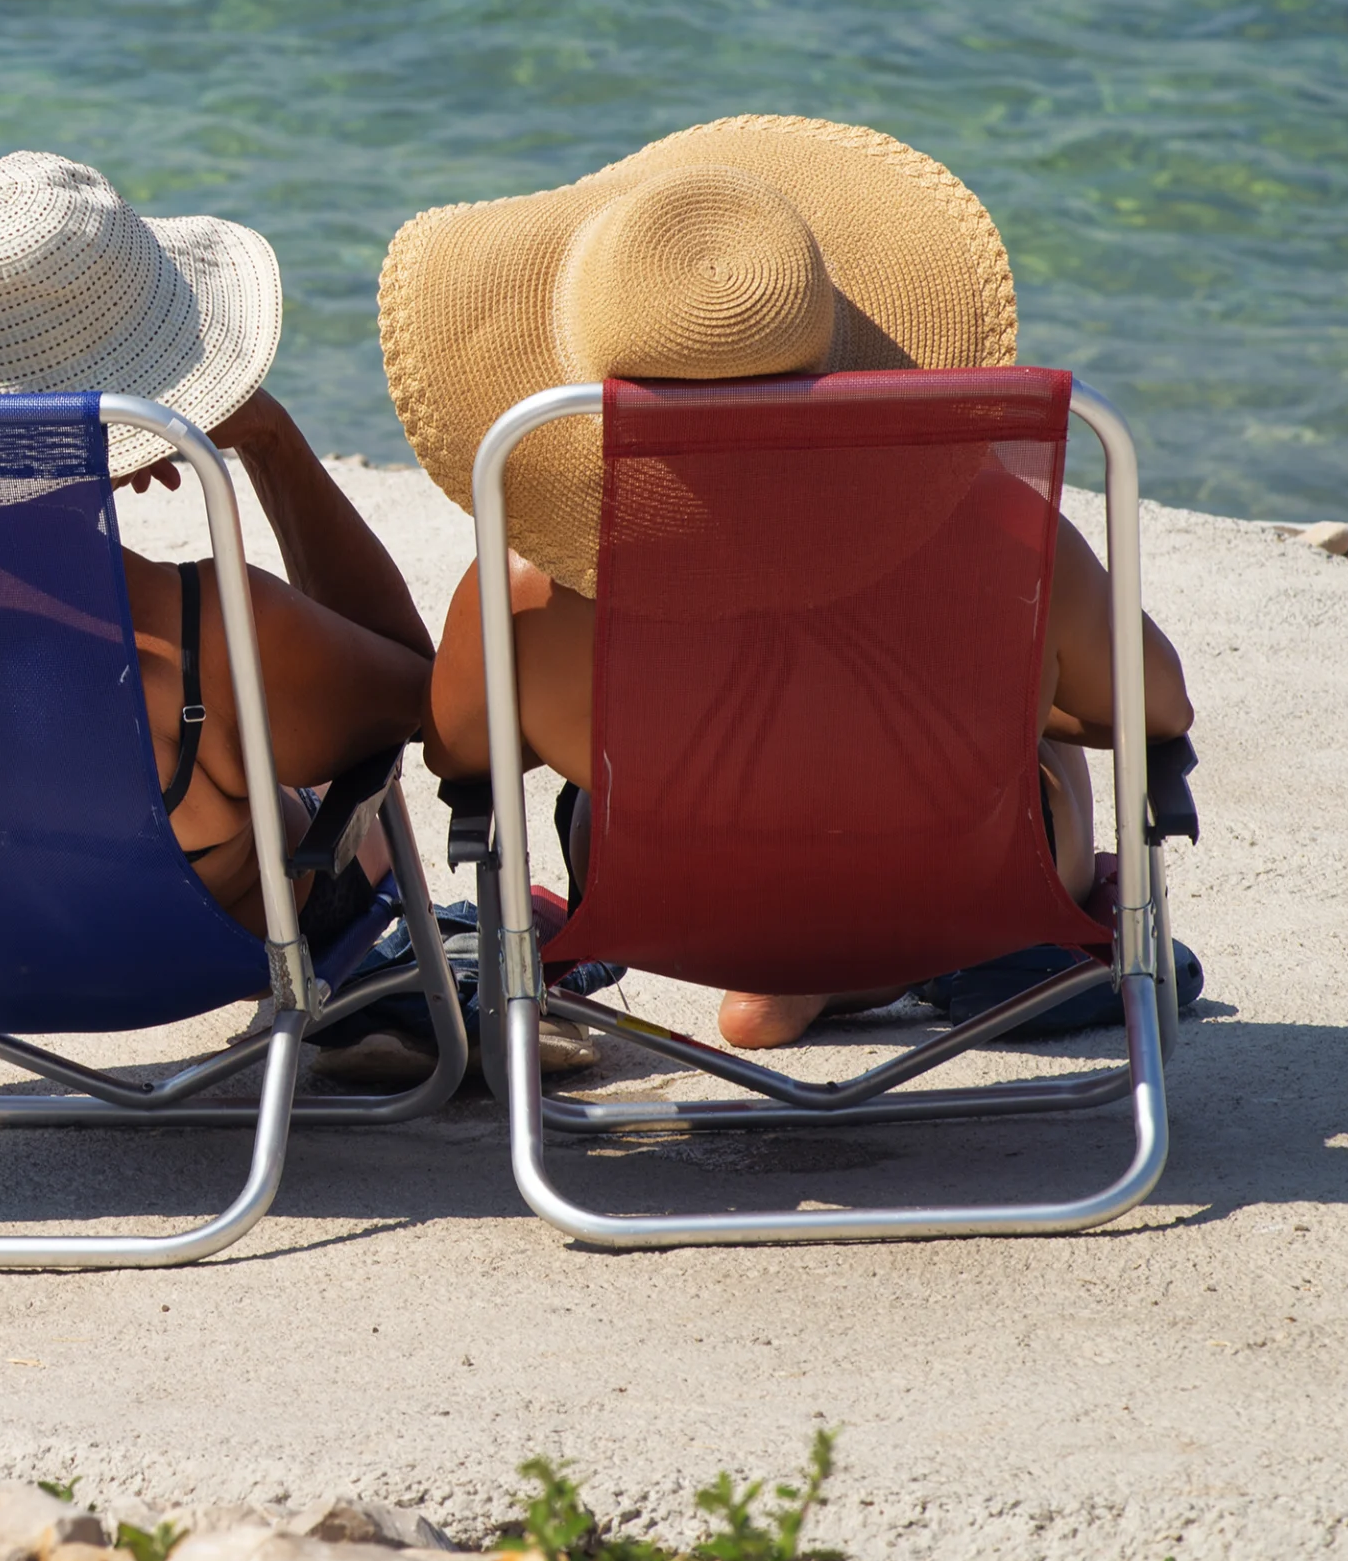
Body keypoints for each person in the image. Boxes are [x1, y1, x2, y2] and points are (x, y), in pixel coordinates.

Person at [376, 116, 1194, 1049]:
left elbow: (458, 758)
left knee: (613, 771)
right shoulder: (1007, 533)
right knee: (1030, 714)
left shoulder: (527, 590)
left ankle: (780, 970)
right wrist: (1015, 703)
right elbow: (1156, 711)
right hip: (952, 894)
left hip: (680, 911)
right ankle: (896, 961)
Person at [0, 151, 440, 1110]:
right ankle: (356, 991)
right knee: (312, 775)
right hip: (165, 949)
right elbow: (415, 692)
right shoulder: (203, 626)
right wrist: (269, 442)